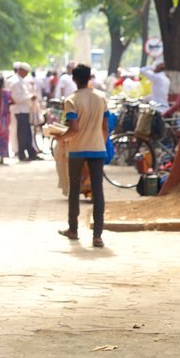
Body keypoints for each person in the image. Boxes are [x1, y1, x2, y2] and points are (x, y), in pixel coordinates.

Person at [56, 64, 110, 248]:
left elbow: (74, 129)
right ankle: (97, 236)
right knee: (98, 191)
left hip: (77, 149)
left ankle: (73, 229)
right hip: (97, 148)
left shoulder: (71, 100)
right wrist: (102, 142)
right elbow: (105, 126)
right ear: (90, 77)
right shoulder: (101, 97)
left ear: (74, 79)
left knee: (74, 189)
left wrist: (60, 138)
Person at [10, 62, 40, 161]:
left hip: (25, 110)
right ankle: (22, 154)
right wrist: (30, 97)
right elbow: (17, 98)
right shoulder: (16, 82)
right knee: (22, 134)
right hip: (20, 110)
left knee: (27, 133)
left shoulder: (22, 81)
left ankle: (31, 153)